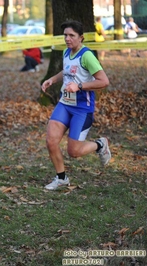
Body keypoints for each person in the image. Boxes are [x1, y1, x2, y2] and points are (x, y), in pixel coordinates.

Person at [41, 20, 111, 191]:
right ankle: (61, 178)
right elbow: (67, 71)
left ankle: (100, 144)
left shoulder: (87, 55)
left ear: (81, 38)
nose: (67, 39)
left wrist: (79, 86)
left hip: (82, 108)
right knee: (51, 141)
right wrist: (52, 79)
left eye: (71, 35)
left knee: (74, 152)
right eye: (65, 35)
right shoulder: (66, 52)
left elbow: (104, 81)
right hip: (65, 104)